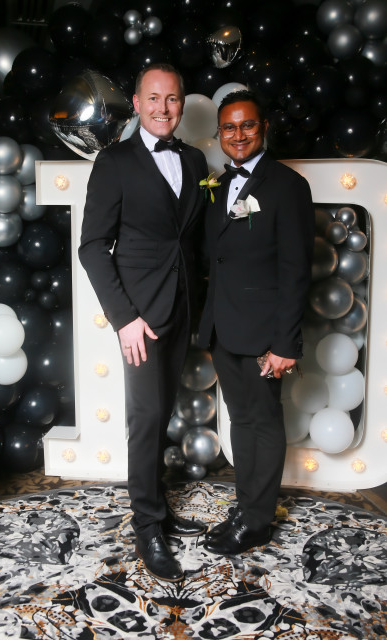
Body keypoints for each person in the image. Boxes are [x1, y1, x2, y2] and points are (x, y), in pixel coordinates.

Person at [78, 63, 208, 583]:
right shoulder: (114, 162)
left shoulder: (195, 159)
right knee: (146, 417)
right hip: (139, 316)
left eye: (172, 99)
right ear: (136, 104)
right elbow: (92, 247)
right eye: (153, 98)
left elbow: (191, 239)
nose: (162, 108)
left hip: (182, 308)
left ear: (182, 104)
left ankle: (157, 507)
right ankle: (148, 527)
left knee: (161, 414)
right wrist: (124, 318)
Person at [198, 90, 315, 556]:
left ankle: (258, 522)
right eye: (229, 127)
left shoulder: (288, 186)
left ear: (263, 127)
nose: (238, 134)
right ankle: (249, 506)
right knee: (242, 422)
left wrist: (285, 342)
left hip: (265, 334)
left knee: (263, 423)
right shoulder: (217, 185)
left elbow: (296, 269)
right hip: (224, 329)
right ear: (220, 134)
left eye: (247, 125)